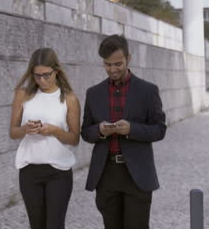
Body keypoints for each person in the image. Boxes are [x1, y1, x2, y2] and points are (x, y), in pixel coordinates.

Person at [81, 34, 167, 229]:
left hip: (137, 175)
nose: (113, 69)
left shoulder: (148, 91)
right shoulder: (93, 93)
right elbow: (85, 132)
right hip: (106, 174)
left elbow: (160, 129)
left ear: (129, 58)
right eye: (107, 64)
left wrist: (131, 129)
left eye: (118, 64)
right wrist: (100, 131)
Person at [9, 48, 80, 229]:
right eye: (37, 75)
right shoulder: (22, 95)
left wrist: (54, 130)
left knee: (55, 225)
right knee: (37, 225)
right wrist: (25, 129)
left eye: (46, 75)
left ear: (56, 71)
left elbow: (74, 139)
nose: (42, 80)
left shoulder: (69, 98)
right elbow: (13, 132)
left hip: (59, 172)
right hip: (29, 172)